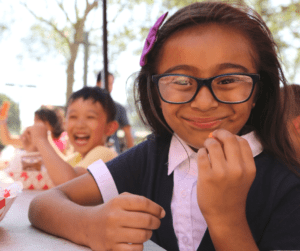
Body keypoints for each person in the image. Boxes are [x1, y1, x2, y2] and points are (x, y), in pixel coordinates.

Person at [28, 2, 300, 250]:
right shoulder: (153, 155)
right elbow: (44, 203)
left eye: (228, 80)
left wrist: (226, 218)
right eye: (181, 81)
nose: (204, 103)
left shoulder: (288, 183)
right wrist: (90, 225)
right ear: (155, 92)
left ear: (258, 92)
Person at [25, 86, 119, 186]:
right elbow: (57, 168)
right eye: (73, 117)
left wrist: (41, 140)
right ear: (65, 124)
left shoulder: (104, 153)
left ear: (110, 128)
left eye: (90, 117)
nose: (80, 125)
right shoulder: (78, 157)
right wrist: (34, 147)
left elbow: (70, 183)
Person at [0, 104, 67, 154]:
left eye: (37, 122)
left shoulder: (65, 139)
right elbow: (7, 140)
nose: (34, 126)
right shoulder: (33, 140)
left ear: (48, 124)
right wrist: (2, 120)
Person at [96, 71, 134, 153]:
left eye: (111, 83)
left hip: (112, 153)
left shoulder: (119, 108)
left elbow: (128, 133)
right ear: (98, 83)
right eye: (106, 83)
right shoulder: (88, 107)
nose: (109, 86)